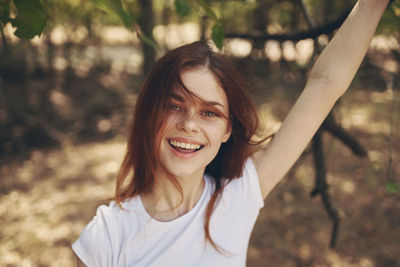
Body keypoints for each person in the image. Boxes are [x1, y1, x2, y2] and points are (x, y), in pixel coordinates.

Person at [72, 0, 391, 266]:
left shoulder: (238, 196)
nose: (190, 124)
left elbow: (325, 84)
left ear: (227, 130)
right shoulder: (106, 236)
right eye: (174, 106)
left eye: (209, 112)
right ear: (149, 114)